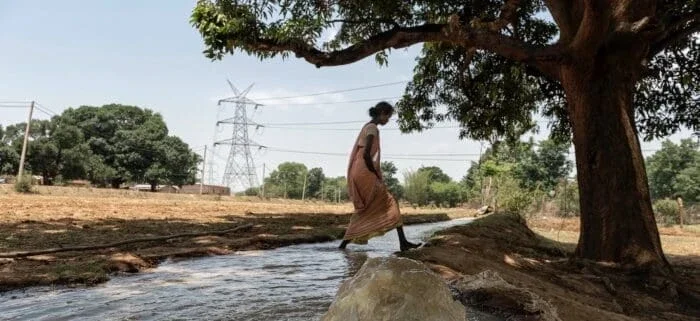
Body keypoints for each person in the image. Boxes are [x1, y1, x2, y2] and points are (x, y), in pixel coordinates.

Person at [339, 101, 422, 251]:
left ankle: (343, 245)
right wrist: (375, 173)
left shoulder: (368, 126)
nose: (388, 120)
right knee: (391, 202)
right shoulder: (372, 128)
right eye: (388, 117)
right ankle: (403, 243)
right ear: (382, 113)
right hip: (364, 170)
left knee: (366, 208)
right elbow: (365, 155)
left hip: (359, 171)